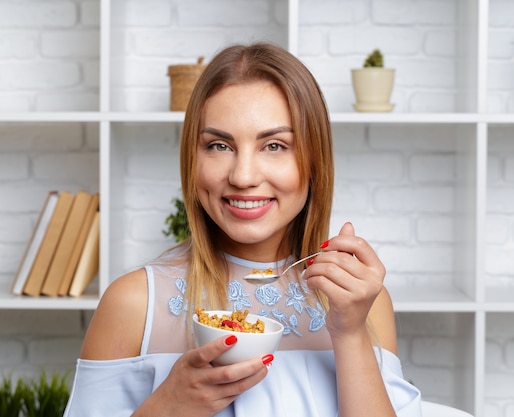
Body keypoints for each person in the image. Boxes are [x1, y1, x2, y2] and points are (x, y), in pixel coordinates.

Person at [63, 42, 422, 417]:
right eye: (219, 145)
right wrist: (164, 409)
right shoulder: (134, 303)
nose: (243, 176)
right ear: (192, 159)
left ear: (314, 161)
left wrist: (349, 334)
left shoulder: (363, 302)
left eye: (275, 145)